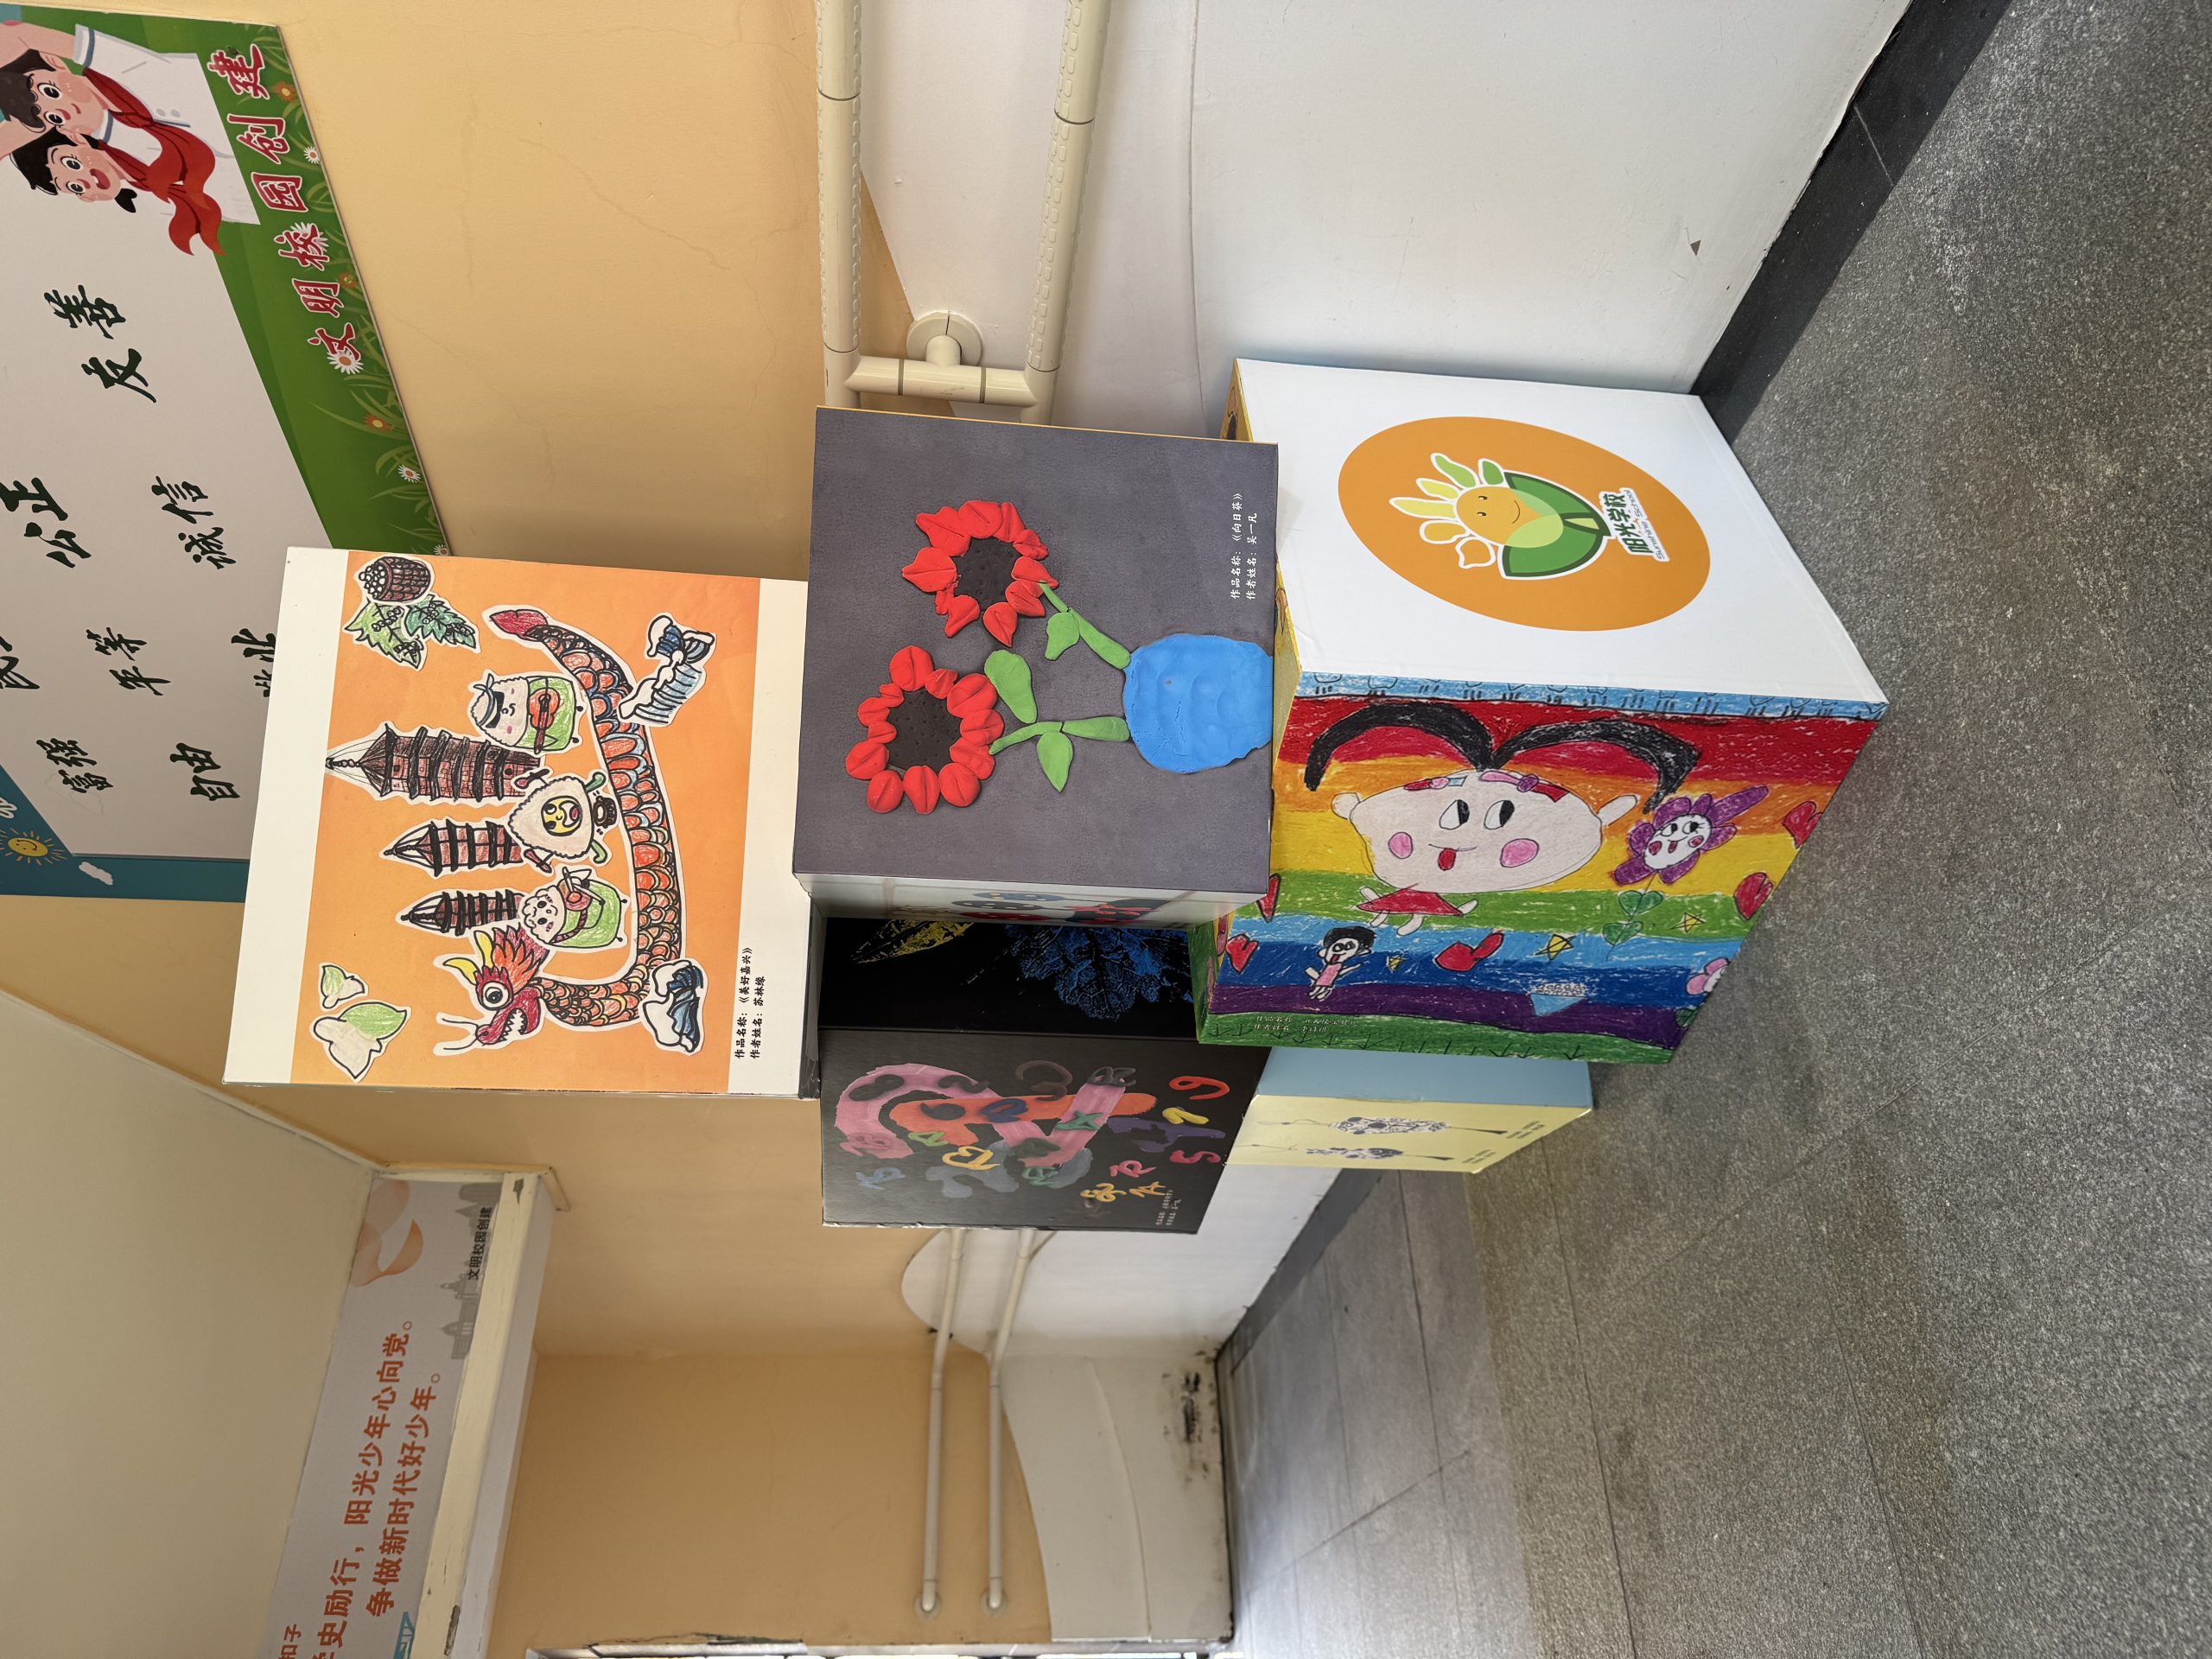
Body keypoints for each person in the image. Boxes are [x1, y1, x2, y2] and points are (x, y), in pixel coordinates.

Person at [0, 19, 257, 250]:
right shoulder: (132, 160)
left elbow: (17, 34)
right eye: (55, 118)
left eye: (51, 92)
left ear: (56, 63)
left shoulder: (126, 70)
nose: (64, 108)